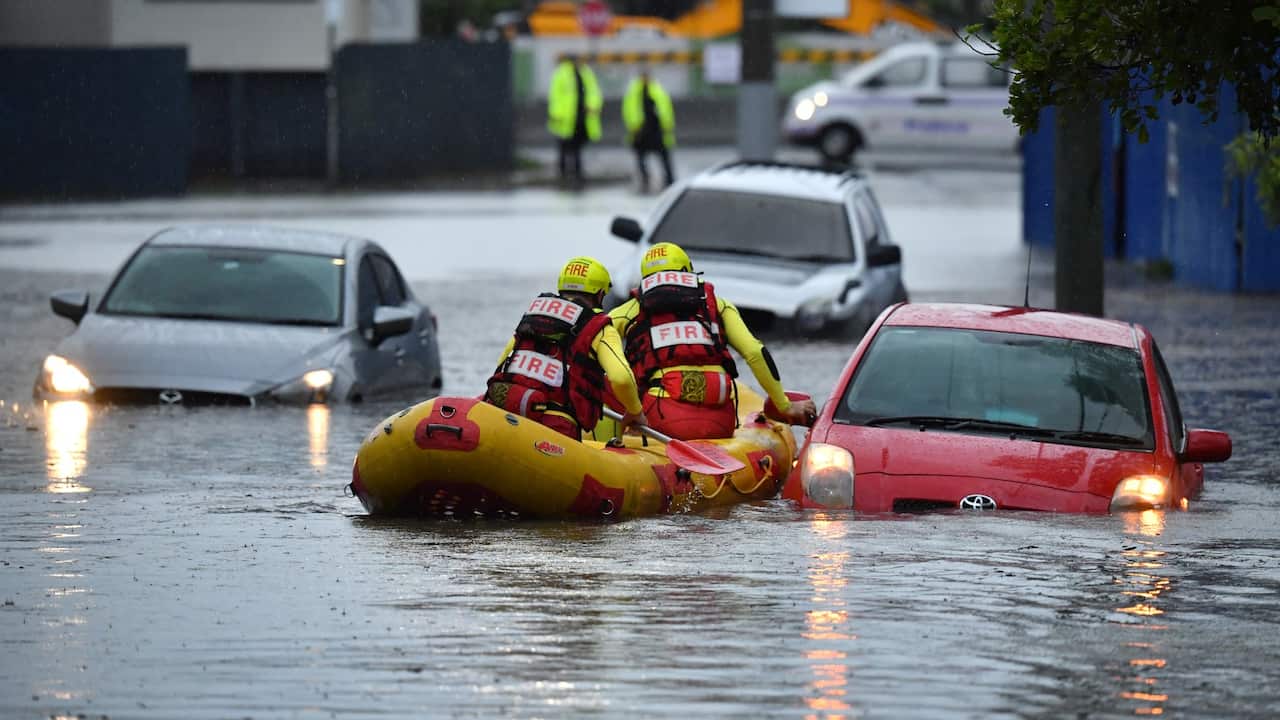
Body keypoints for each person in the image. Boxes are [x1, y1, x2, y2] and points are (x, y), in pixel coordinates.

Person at [608, 242, 817, 440]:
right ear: (687, 272)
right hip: (719, 423)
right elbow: (754, 352)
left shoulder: (630, 311)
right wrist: (784, 406)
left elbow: (591, 342)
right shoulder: (718, 305)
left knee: (609, 375)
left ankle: (613, 439)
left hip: (662, 420)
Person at [485, 256, 647, 441]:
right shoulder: (600, 328)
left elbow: (503, 362)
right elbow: (621, 378)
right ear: (600, 294)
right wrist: (635, 411)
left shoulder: (534, 315)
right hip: (556, 427)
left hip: (509, 417)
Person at [547, 54, 602, 189]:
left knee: (577, 146)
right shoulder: (562, 73)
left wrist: (593, 106)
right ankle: (564, 173)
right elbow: (555, 95)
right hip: (565, 118)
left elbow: (594, 92)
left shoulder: (585, 73)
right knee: (564, 146)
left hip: (580, 117)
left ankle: (576, 172)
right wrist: (556, 113)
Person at [622, 67, 675, 192]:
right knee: (641, 157)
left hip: (656, 130)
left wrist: (667, 125)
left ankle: (669, 180)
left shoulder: (657, 90)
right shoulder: (634, 92)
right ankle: (645, 179)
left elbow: (666, 110)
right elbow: (628, 110)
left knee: (663, 157)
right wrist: (633, 126)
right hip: (641, 131)